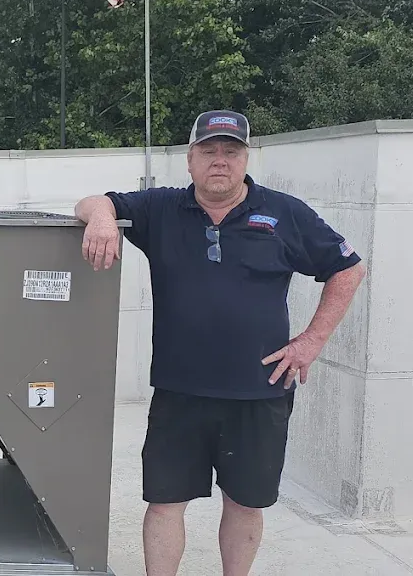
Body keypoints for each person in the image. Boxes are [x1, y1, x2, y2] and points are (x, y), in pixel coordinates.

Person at [74, 110, 366, 576]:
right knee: (165, 502)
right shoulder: (162, 209)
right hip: (179, 391)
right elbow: (92, 202)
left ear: (245, 159)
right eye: (208, 151)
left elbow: (348, 268)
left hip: (260, 390)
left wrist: (311, 341)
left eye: (231, 151)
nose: (219, 161)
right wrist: (104, 220)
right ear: (189, 160)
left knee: (245, 505)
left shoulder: (285, 213)